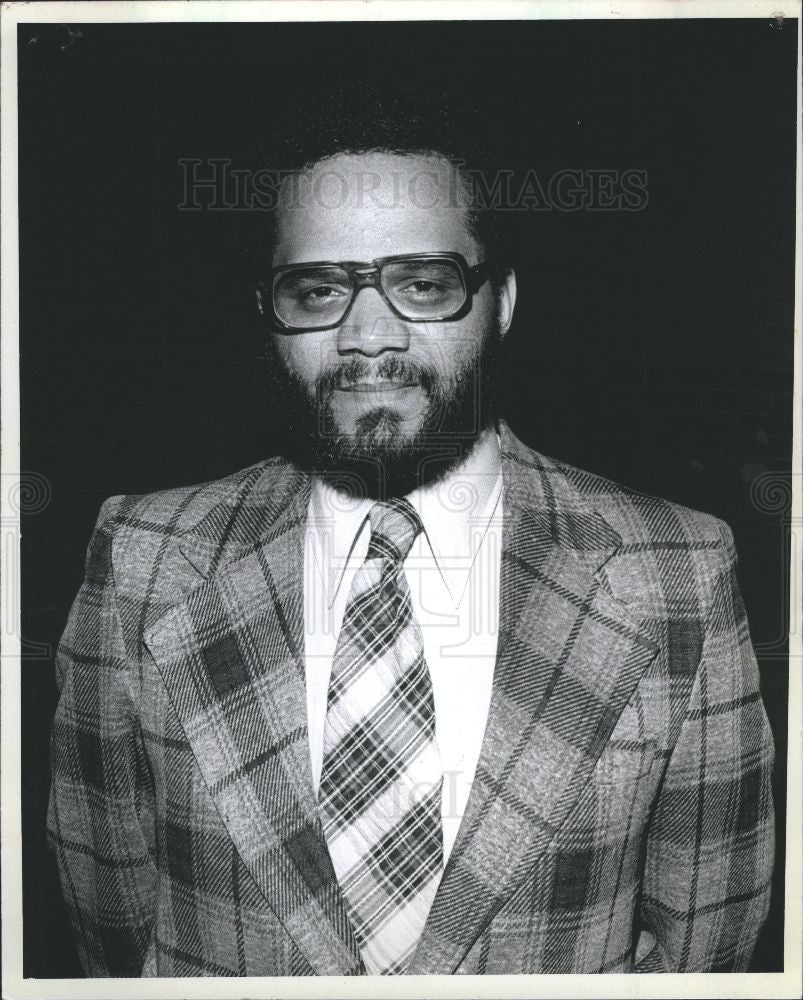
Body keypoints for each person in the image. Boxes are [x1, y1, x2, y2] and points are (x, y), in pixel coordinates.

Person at [47, 85, 775, 977]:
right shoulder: (143, 560)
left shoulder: (676, 573)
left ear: (499, 301)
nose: (366, 334)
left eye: (421, 284)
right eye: (316, 289)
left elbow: (707, 943)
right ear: (269, 314)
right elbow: (109, 915)